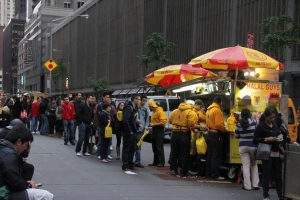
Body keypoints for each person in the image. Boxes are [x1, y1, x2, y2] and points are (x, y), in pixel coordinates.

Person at [0, 124, 54, 200]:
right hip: (3, 194)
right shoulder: (10, 155)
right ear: (18, 142)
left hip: (4, 188)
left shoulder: (4, 146)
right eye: (26, 145)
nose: (25, 148)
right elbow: (15, 183)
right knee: (46, 196)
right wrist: (29, 185)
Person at [253, 107, 285, 200]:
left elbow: (279, 134)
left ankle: (280, 195)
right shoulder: (261, 126)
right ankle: (265, 195)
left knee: (278, 175)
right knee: (266, 174)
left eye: (273, 117)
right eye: (270, 118)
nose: (272, 119)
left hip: (276, 152)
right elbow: (255, 139)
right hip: (266, 153)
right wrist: (266, 139)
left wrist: (278, 138)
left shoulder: (275, 125)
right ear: (266, 117)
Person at [169, 100, 197, 177]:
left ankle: (173, 170)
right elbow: (191, 124)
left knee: (174, 152)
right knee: (185, 153)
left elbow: (170, 120)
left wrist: (177, 123)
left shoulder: (175, 111)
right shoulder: (190, 112)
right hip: (184, 133)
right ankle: (184, 171)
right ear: (191, 105)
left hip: (174, 133)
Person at [235, 108, 259, 191]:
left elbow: (236, 135)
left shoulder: (238, 124)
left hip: (243, 146)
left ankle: (247, 186)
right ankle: (255, 184)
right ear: (249, 114)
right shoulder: (255, 122)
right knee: (254, 164)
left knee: (245, 166)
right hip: (253, 145)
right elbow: (258, 133)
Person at [205, 97, 228, 180]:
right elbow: (218, 124)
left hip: (209, 133)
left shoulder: (209, 110)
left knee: (210, 154)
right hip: (216, 134)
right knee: (216, 155)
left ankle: (208, 173)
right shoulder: (217, 110)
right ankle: (215, 174)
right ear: (220, 102)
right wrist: (225, 130)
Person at [122, 94, 141, 171]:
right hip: (129, 132)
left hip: (133, 131)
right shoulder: (129, 108)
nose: (139, 101)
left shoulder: (134, 108)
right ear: (135, 100)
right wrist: (129, 130)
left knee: (132, 149)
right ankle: (125, 165)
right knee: (126, 148)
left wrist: (137, 124)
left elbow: (132, 120)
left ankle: (131, 164)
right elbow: (125, 120)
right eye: (139, 99)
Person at [97, 92, 115, 160]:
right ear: (103, 98)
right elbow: (100, 117)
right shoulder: (100, 106)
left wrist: (111, 121)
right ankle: (101, 154)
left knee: (108, 141)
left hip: (109, 128)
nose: (108, 98)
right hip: (102, 127)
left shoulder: (111, 107)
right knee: (101, 141)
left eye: (109, 97)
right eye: (107, 97)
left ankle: (107, 154)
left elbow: (113, 117)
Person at [148, 100, 167, 167]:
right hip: (154, 130)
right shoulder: (154, 112)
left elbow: (163, 122)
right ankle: (155, 162)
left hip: (159, 130)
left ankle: (161, 162)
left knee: (159, 147)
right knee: (155, 147)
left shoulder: (160, 112)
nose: (149, 108)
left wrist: (154, 124)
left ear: (152, 106)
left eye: (149, 107)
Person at [134, 95, 149, 168]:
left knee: (138, 147)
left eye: (145, 101)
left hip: (141, 130)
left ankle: (137, 161)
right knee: (133, 146)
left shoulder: (145, 110)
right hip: (134, 129)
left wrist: (146, 127)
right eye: (143, 100)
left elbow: (147, 121)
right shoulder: (136, 108)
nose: (144, 102)